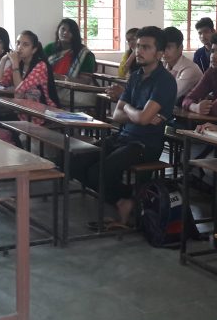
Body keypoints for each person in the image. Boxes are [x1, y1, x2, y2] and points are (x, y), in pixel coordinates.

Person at [70, 26, 176, 229]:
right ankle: (125, 199)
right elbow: (117, 116)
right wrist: (133, 111)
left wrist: (128, 107)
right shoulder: (136, 76)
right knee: (75, 161)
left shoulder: (165, 81)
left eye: (146, 47)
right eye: (137, 46)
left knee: (101, 170)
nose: (139, 51)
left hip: (145, 144)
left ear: (160, 53)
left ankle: (130, 201)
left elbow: (144, 119)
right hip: (124, 136)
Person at [0, 30, 54, 122]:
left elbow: (20, 90)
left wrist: (15, 65)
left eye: (25, 45)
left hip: (42, 111)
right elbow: (1, 83)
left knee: (2, 120)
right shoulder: (19, 62)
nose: (19, 47)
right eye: (18, 43)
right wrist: (3, 60)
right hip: (22, 109)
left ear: (34, 50)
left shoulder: (41, 66)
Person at [162, 26, 202, 102]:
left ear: (180, 48)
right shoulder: (163, 64)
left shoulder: (190, 69)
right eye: (162, 47)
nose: (164, 51)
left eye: (169, 47)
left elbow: (170, 95)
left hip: (192, 111)